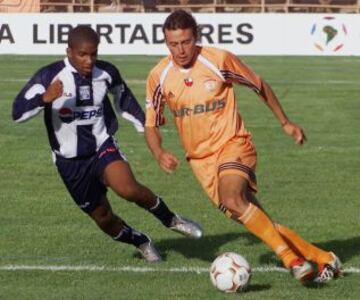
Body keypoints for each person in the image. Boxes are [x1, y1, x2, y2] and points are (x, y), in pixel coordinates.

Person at [144, 10, 342, 282]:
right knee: (256, 219)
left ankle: (292, 260)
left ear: (196, 37)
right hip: (201, 163)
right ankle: (324, 258)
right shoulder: (159, 75)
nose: (180, 50)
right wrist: (158, 152)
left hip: (233, 143)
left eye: (186, 42)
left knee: (233, 199)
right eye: (173, 44)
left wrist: (285, 122)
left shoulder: (218, 59)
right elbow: (151, 124)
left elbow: (259, 85)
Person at [12, 25, 202, 263]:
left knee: (128, 188)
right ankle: (141, 241)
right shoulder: (48, 76)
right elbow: (17, 112)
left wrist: (148, 129)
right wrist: (44, 99)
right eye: (83, 54)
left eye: (93, 53)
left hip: (102, 146)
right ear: (69, 51)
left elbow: (126, 102)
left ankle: (172, 219)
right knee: (103, 218)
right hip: (69, 162)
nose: (89, 60)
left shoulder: (106, 73)